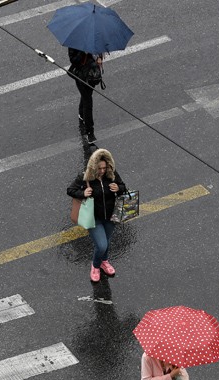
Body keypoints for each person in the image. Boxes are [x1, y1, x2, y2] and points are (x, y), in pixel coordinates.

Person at [67, 148, 126, 282]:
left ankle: (104, 261)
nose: (102, 171)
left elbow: (123, 187)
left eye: (104, 168)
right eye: (99, 168)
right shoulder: (85, 177)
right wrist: (82, 193)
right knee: (101, 245)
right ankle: (95, 266)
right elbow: (70, 190)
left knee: (106, 241)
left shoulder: (112, 174)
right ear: (93, 166)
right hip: (94, 219)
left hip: (111, 216)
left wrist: (119, 188)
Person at [68, 48, 102, 144]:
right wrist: (83, 52)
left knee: (87, 96)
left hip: (92, 76)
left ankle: (81, 114)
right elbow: (73, 60)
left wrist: (99, 58)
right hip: (81, 77)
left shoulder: (94, 40)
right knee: (88, 102)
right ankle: (90, 132)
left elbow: (98, 54)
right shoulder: (75, 42)